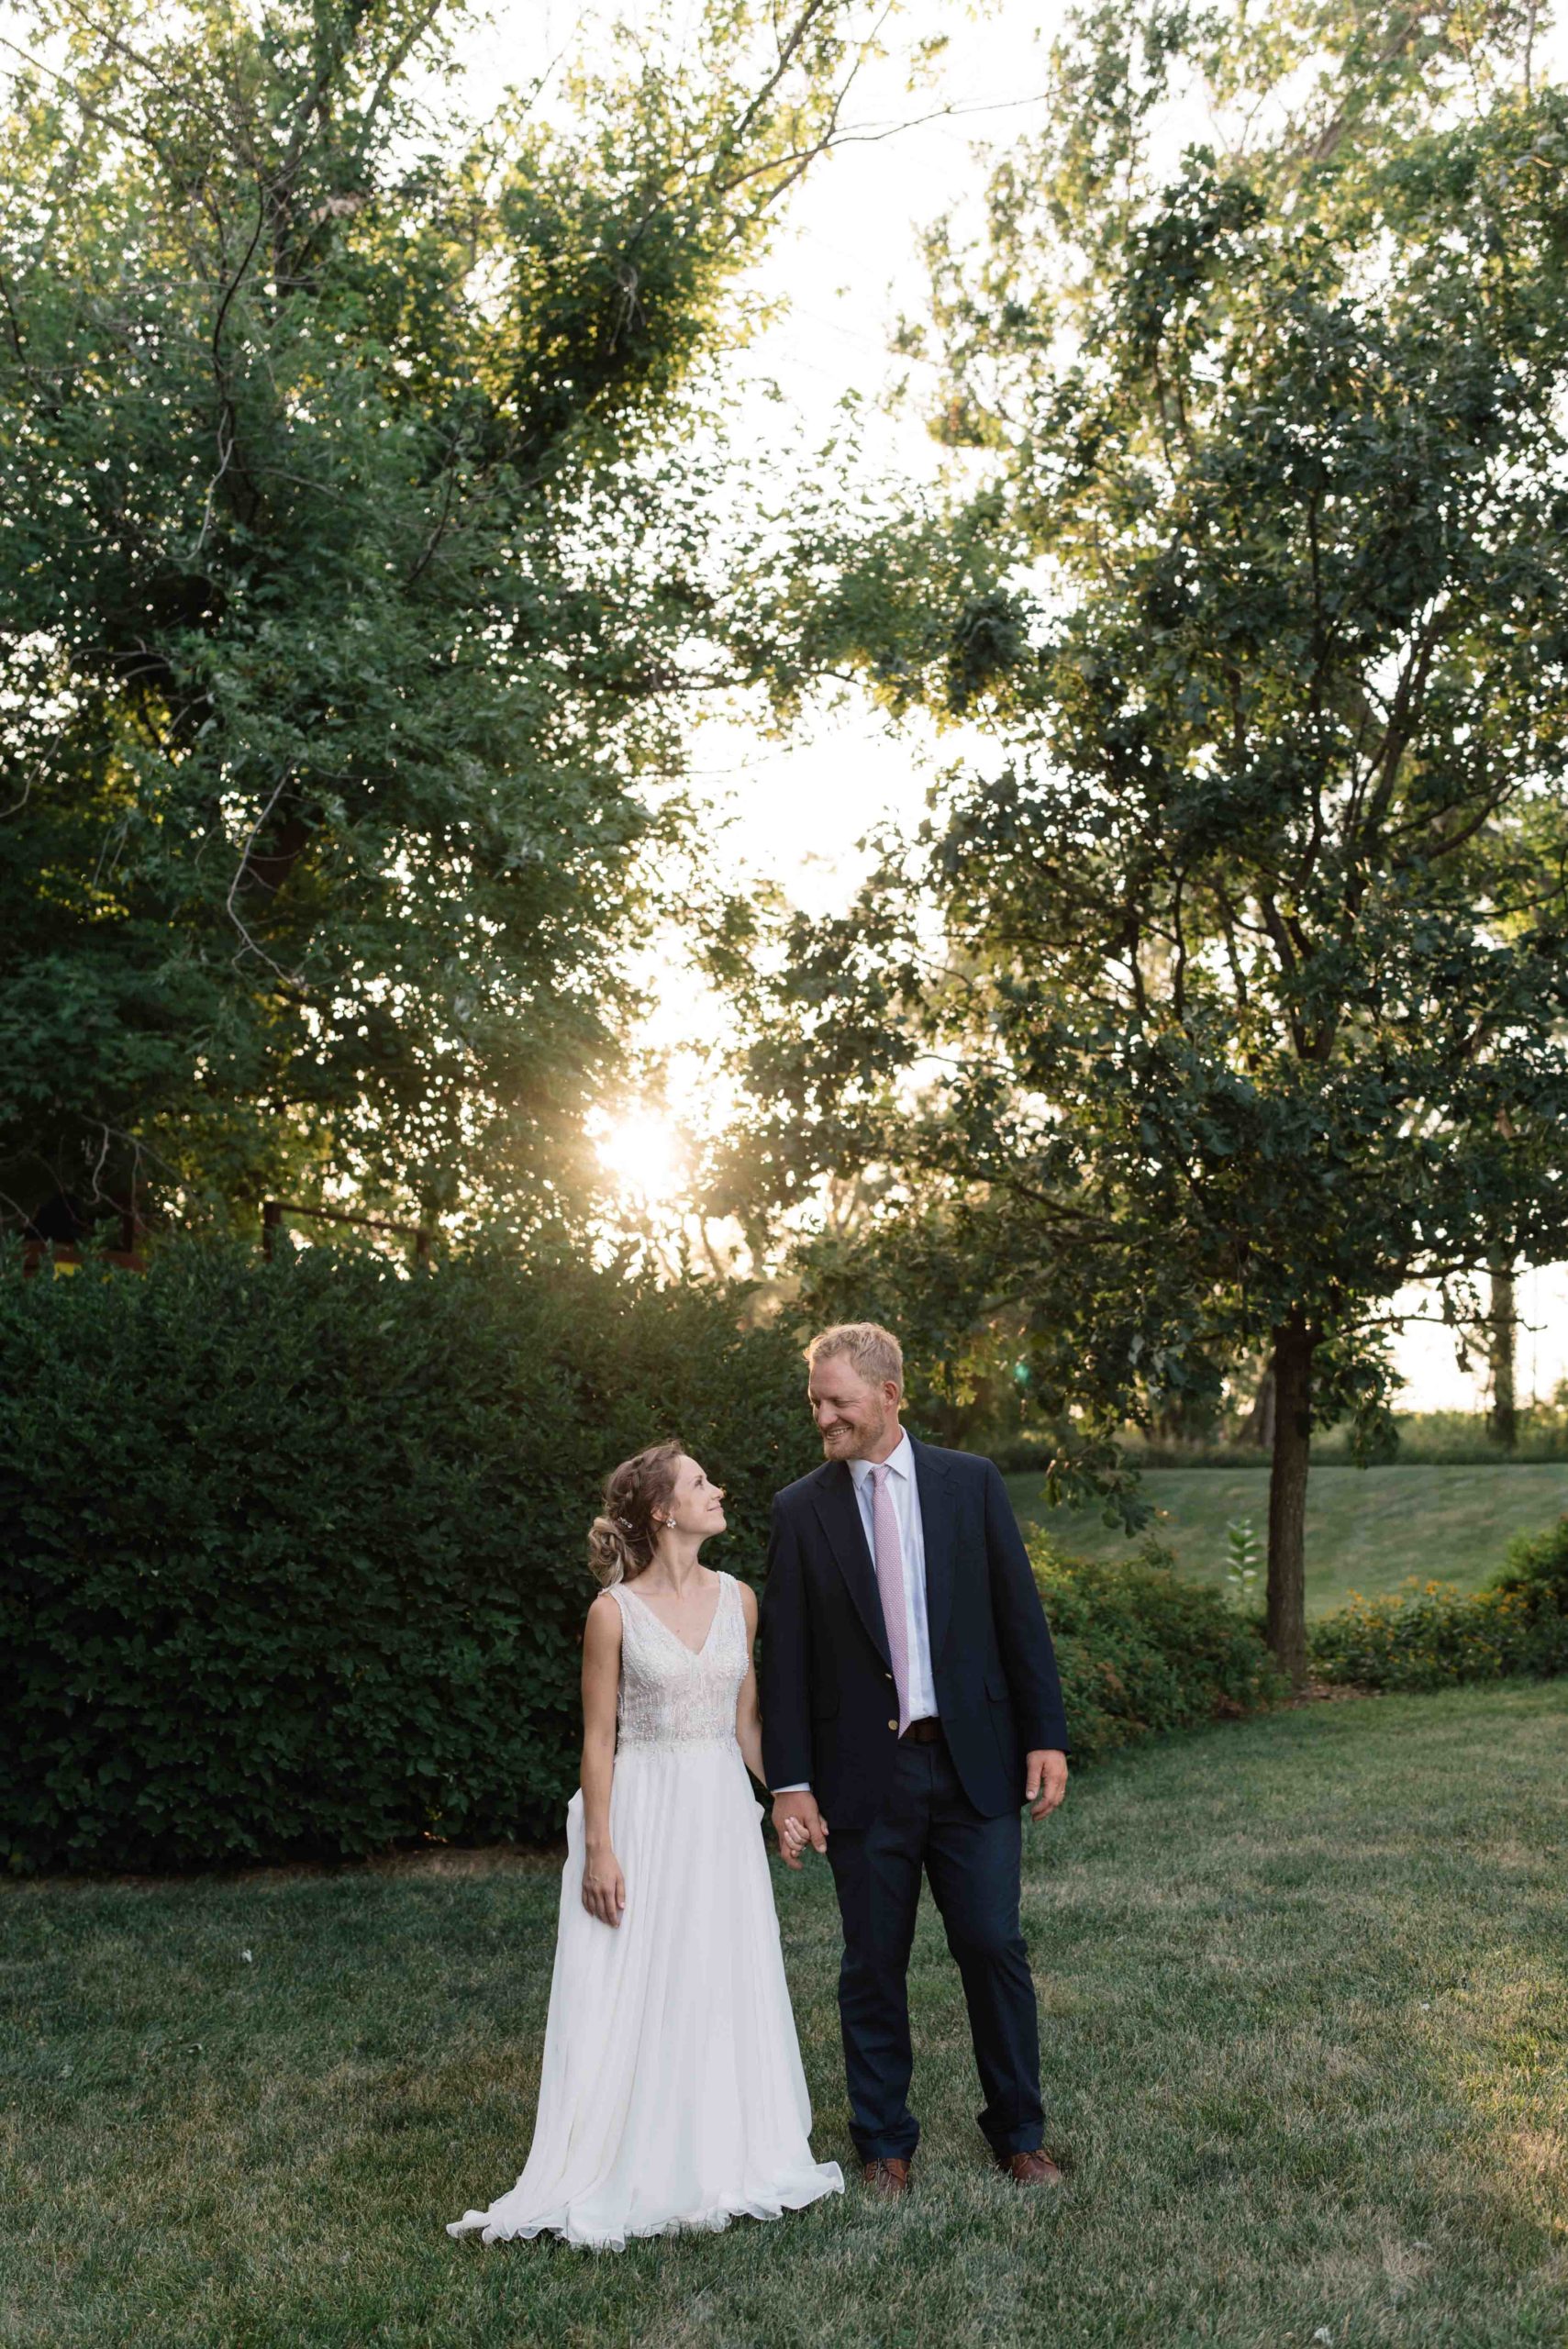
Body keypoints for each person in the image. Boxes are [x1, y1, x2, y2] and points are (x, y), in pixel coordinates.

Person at [447, 1442, 843, 2252]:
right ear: (663, 1510)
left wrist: (786, 1800)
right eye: (702, 1481)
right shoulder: (612, 1612)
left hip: (720, 1817)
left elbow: (746, 1726)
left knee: (717, 1972)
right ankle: (624, 2156)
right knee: (632, 1980)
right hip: (645, 1813)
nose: (718, 1488)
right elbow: (597, 1743)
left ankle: (726, 2149)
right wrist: (598, 1848)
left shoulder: (740, 1599)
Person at [760, 1322, 1069, 2199]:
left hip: (974, 1763)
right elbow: (781, 1661)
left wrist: (1046, 1735)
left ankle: (1020, 2134)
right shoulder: (799, 1509)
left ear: (891, 1394)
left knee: (992, 1944)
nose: (823, 1415)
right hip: (864, 1777)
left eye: (839, 1401)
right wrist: (790, 1782)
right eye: (816, 1401)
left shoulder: (968, 1484)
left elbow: (1019, 1615)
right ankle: (884, 2147)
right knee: (871, 1962)